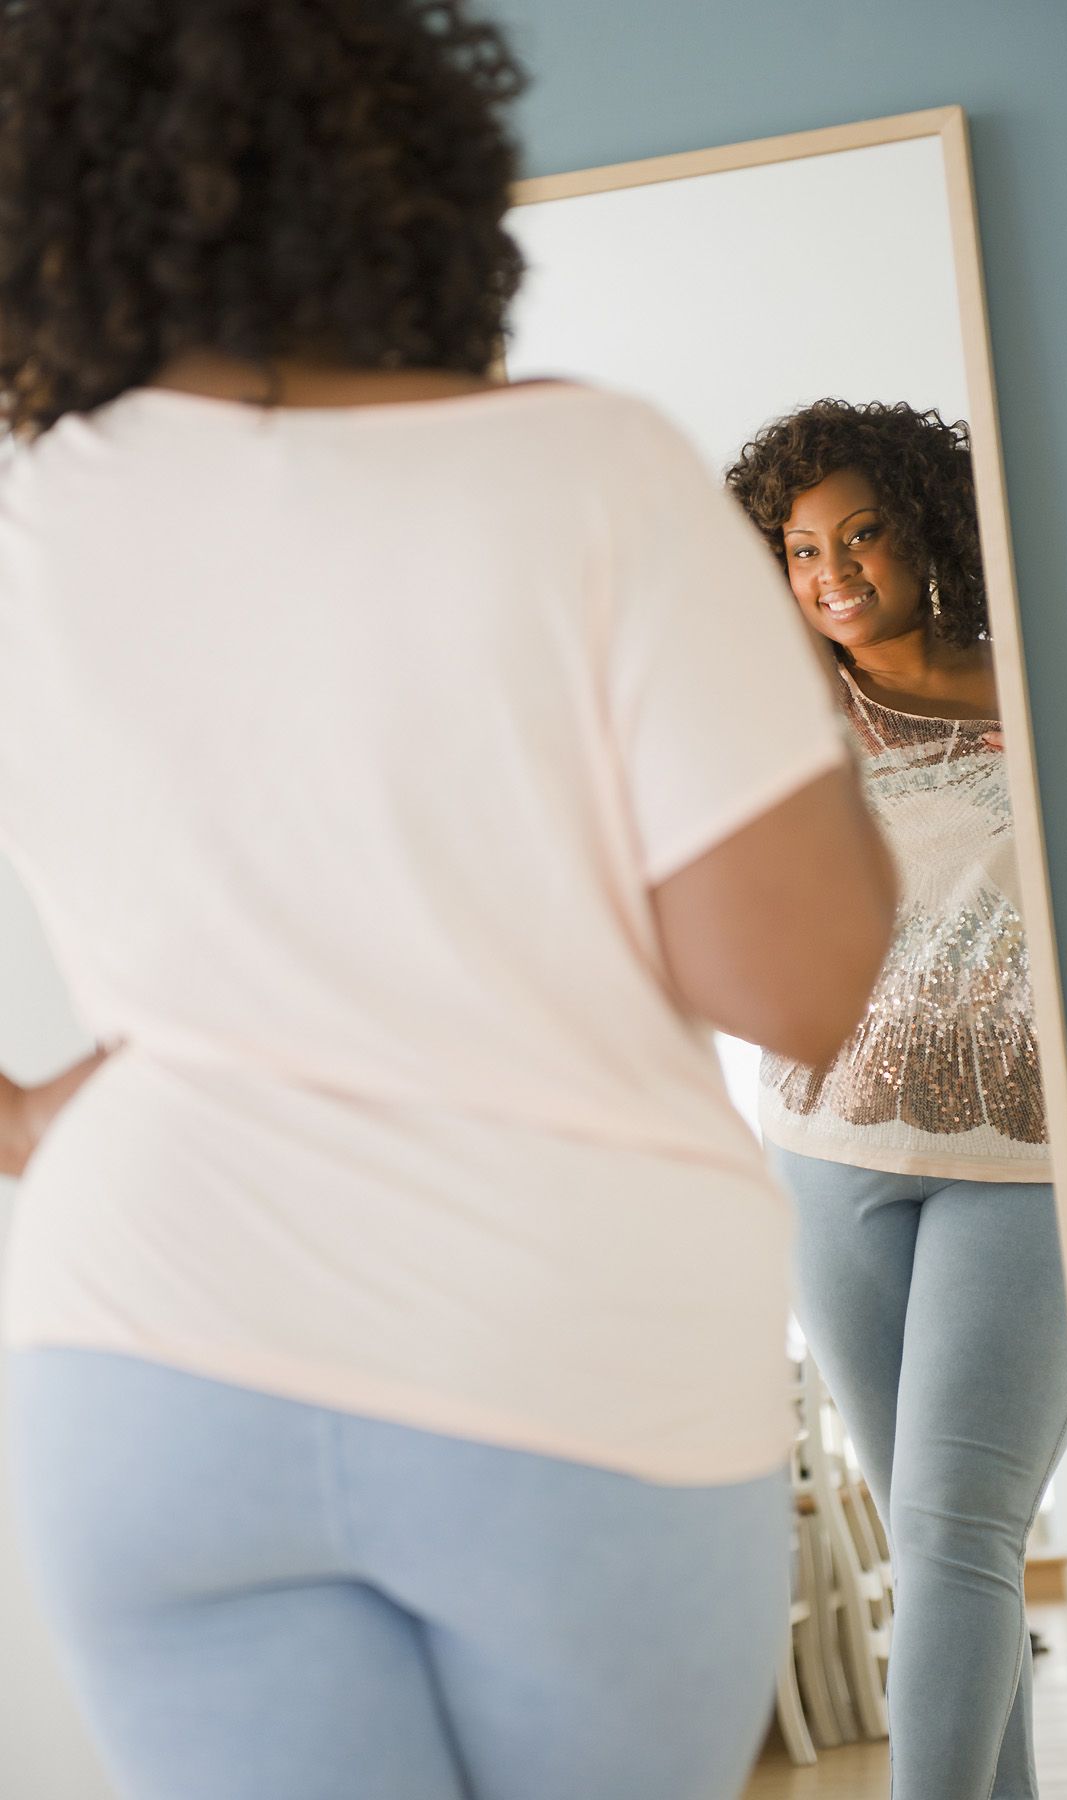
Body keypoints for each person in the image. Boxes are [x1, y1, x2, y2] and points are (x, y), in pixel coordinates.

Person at [0, 8, 896, 1800]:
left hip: (147, 1367)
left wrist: (40, 1117)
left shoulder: (31, 517)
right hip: (564, 1365)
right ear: (413, 178)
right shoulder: (590, 475)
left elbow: (286, 990)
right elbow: (793, 981)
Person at [726, 398, 1067, 1800]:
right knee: (940, 1544)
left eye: (860, 532)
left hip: (1025, 1162)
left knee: (956, 1530)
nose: (831, 574)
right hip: (824, 1154)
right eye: (800, 550)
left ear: (923, 529)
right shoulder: (791, 702)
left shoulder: (1041, 683)